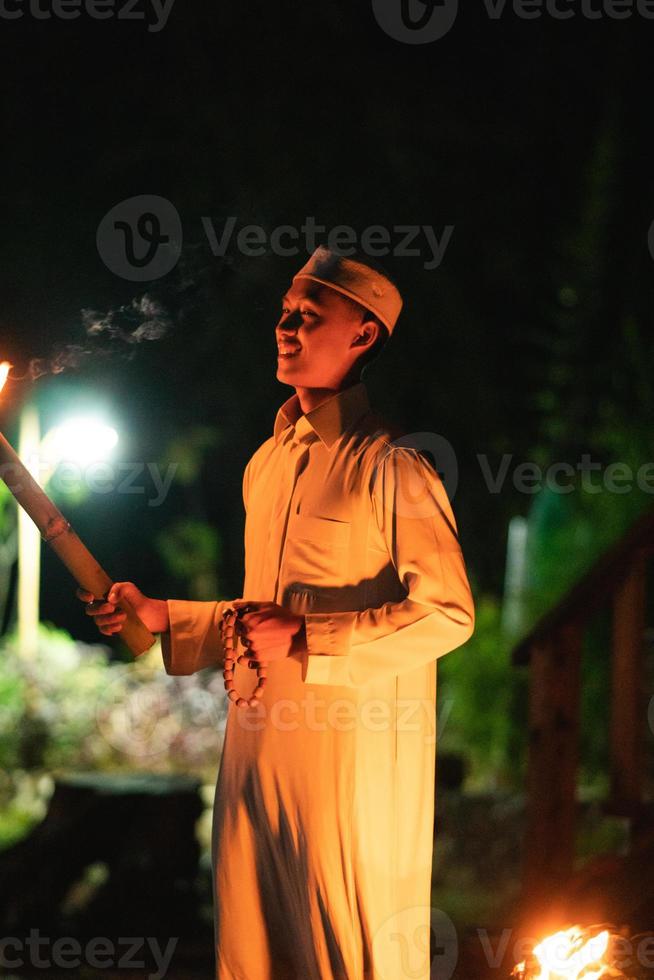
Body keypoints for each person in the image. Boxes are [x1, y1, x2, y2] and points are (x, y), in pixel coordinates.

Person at [79, 246, 475, 980]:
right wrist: (164, 614)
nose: (286, 328)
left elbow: (447, 613)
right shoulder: (267, 464)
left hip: (346, 765)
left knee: (345, 952)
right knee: (253, 953)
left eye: (309, 316)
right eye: (284, 314)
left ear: (363, 335)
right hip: (255, 750)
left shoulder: (391, 465)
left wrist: (311, 635)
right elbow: (264, 613)